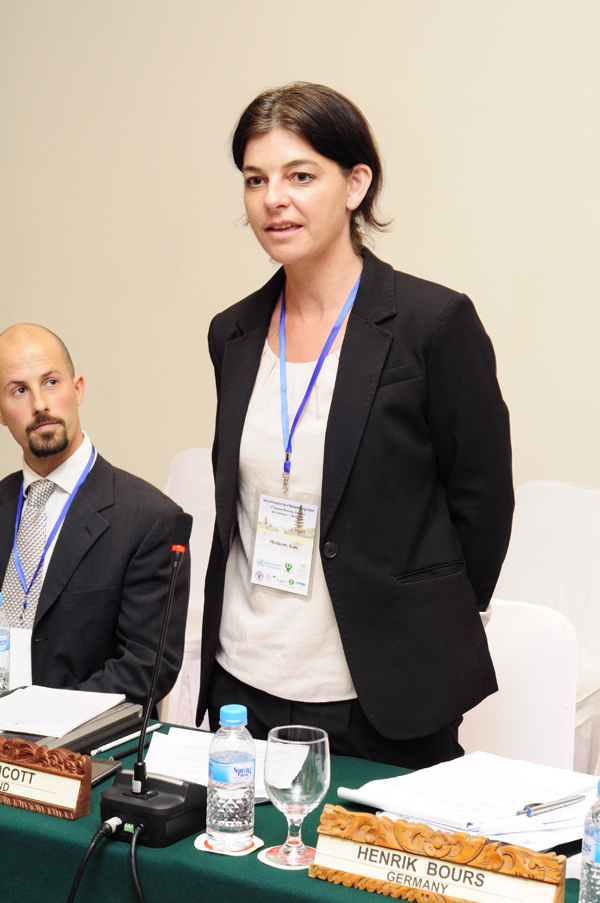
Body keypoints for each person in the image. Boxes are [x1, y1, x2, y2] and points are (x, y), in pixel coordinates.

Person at [197, 83, 514, 768]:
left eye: (300, 176)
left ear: (355, 184)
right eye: (255, 179)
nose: (273, 199)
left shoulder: (433, 324)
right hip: (244, 685)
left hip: (384, 696)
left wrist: (428, 624)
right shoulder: (234, 333)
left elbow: (483, 502)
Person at [0, 323, 190, 706]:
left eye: (51, 382)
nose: (40, 404)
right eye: (19, 390)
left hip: (79, 738)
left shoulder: (149, 519)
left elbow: (145, 669)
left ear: (78, 389)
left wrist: (37, 719)